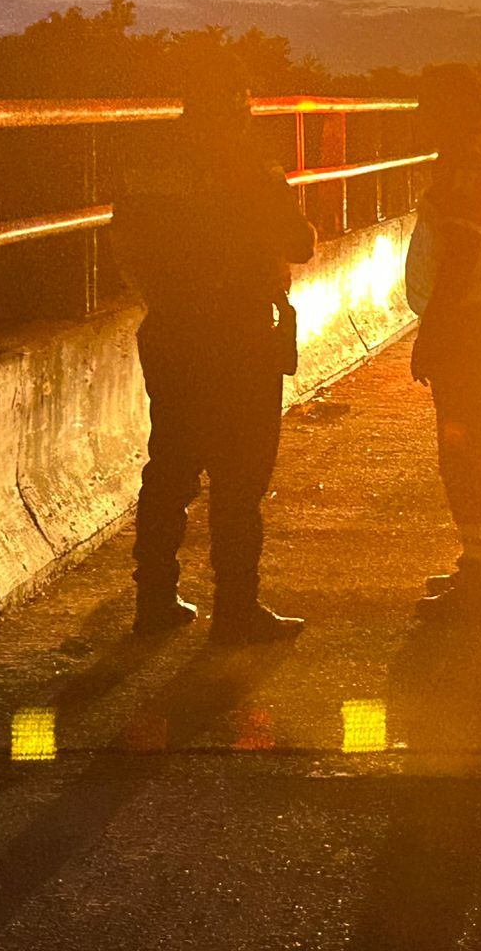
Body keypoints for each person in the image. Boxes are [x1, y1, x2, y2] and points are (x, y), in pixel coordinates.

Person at [114, 60, 315, 641]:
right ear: (236, 108)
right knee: (239, 479)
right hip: (240, 338)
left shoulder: (148, 164)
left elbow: (125, 240)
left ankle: (154, 600)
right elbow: (299, 243)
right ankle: (236, 610)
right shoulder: (250, 166)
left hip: (172, 331)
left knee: (170, 467)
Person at [407, 64, 481, 622]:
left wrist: (432, 334)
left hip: (473, 326)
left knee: (469, 455)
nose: (421, 115)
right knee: (480, 453)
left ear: (452, 108)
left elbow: (459, 254)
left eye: (428, 104)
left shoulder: (466, 161)